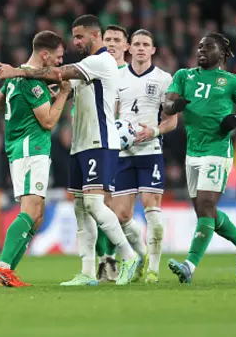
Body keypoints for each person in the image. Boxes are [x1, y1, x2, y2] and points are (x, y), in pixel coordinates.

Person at [0, 15, 141, 286]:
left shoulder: (102, 61)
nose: (75, 42)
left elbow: (58, 74)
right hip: (80, 144)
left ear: (94, 36)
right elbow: (62, 87)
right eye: (74, 37)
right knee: (80, 209)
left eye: (79, 37)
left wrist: (18, 72)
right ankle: (87, 272)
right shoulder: (86, 65)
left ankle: (128, 255)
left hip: (99, 141)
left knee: (95, 205)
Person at [162, 32, 236, 284]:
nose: (201, 50)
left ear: (223, 53)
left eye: (208, 46)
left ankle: (189, 265)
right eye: (200, 46)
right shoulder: (183, 76)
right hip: (192, 151)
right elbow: (166, 105)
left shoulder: (232, 82)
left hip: (217, 150)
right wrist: (175, 107)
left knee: (205, 204)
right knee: (205, 212)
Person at [0, 31, 70, 287]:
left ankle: (7, 269)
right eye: (57, 57)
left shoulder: (17, 76)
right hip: (30, 147)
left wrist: (46, 97)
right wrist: (63, 94)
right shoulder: (32, 83)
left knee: (38, 215)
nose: (59, 62)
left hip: (22, 147)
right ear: (44, 54)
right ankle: (2, 265)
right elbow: (48, 121)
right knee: (30, 210)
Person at [112, 29, 177, 283]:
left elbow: (172, 119)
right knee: (121, 216)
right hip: (123, 153)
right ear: (129, 49)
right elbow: (113, 113)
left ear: (153, 50)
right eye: (136, 44)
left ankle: (154, 271)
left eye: (145, 44)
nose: (140, 48)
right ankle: (141, 255)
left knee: (153, 212)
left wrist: (155, 131)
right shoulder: (117, 77)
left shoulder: (164, 78)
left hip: (151, 151)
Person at [94, 24, 130, 282]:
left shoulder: (131, 75)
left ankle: (125, 259)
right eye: (108, 39)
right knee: (96, 206)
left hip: (129, 150)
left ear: (126, 45)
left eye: (117, 39)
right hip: (98, 144)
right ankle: (105, 261)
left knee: (118, 211)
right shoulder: (96, 70)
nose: (112, 43)